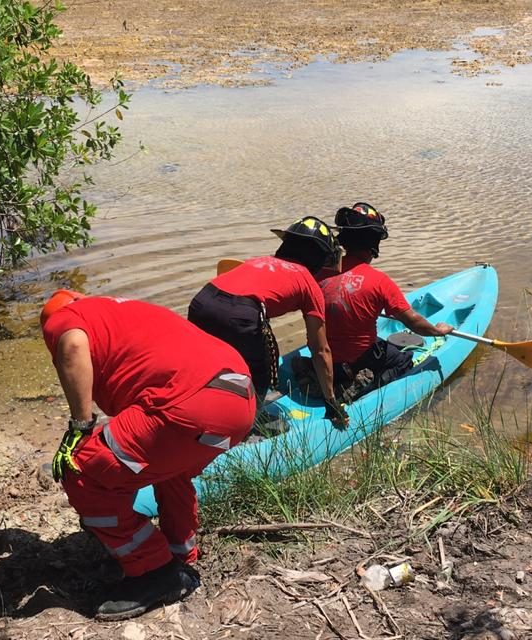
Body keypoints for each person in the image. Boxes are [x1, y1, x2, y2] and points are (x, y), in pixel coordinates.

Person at [39, 290, 255, 621]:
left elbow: (71, 346)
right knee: (167, 467)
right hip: (239, 399)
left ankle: (155, 571)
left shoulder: (66, 319)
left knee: (82, 469)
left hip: (191, 403)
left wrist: (79, 428)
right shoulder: (123, 314)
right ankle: (180, 550)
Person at [187, 215, 349, 426]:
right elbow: (320, 350)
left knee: (208, 363)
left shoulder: (259, 261)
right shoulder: (308, 283)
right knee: (260, 375)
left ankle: (195, 412)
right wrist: (330, 401)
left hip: (201, 301)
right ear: (320, 259)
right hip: (242, 314)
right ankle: (246, 427)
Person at [319, 202, 453, 394]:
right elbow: (414, 322)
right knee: (403, 360)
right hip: (358, 358)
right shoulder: (379, 281)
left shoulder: (320, 274)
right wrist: (438, 331)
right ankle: (363, 387)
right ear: (373, 243)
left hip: (325, 355)